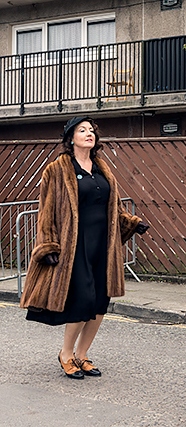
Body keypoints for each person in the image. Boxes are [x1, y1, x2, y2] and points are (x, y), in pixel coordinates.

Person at [20, 117, 149, 379]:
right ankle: (66, 354)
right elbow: (47, 211)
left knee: (101, 301)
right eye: (82, 130)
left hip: (104, 243)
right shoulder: (56, 169)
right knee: (83, 300)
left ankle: (82, 354)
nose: (89, 134)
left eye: (92, 130)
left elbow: (111, 205)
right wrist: (48, 244)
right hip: (74, 245)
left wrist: (130, 223)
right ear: (70, 138)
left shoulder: (102, 168)